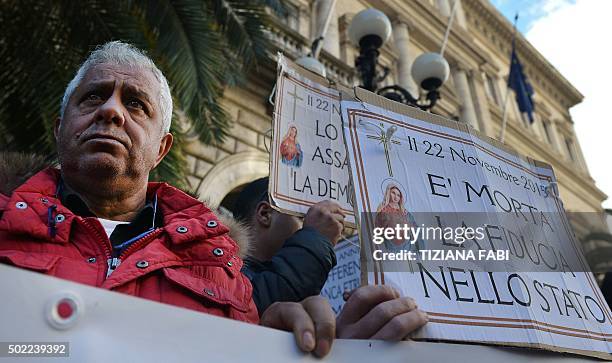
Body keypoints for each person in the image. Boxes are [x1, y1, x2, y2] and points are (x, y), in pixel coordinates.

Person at [0, 41, 427, 358]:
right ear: (60, 127)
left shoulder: (226, 274)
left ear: (161, 149)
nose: (112, 111)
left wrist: (336, 353)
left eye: (135, 104)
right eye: (94, 96)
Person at [233, 177, 342, 314]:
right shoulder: (223, 273)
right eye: (303, 218)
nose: (309, 226)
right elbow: (258, 305)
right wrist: (316, 238)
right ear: (265, 214)